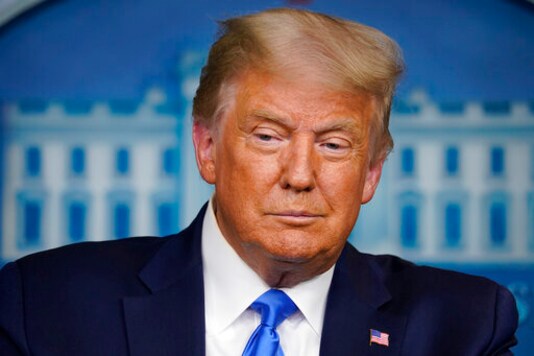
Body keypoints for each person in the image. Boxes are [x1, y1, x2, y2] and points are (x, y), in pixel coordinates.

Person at [0, 7, 518, 356]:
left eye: (334, 144)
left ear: (372, 172)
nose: (299, 176)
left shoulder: (465, 326)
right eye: (268, 137)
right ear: (207, 149)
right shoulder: (44, 305)